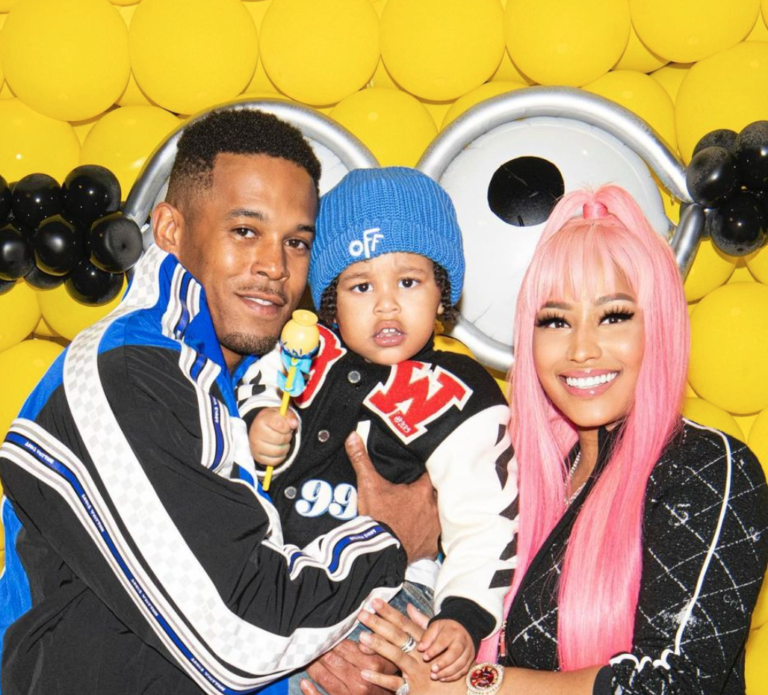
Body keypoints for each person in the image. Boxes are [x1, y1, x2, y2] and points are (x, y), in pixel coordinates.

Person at [0, 109, 440, 695]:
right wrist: (390, 537)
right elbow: (241, 635)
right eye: (245, 231)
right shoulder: (127, 372)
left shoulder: (255, 383)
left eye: (296, 242)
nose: (274, 266)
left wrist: (325, 658)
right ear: (169, 230)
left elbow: (221, 604)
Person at [350, 186, 768, 695]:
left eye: (614, 316)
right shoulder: (512, 472)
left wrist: (478, 686)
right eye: (555, 321)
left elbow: (675, 682)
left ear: (658, 326)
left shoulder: (705, 466)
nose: (582, 349)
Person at [241, 167, 518, 688]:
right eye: (361, 285)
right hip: (276, 573)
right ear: (330, 301)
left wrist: (463, 614)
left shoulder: (458, 390)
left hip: (387, 594)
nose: (386, 304)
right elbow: (256, 382)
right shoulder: (302, 348)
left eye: (408, 282)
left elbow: (487, 514)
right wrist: (258, 422)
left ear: (442, 291)